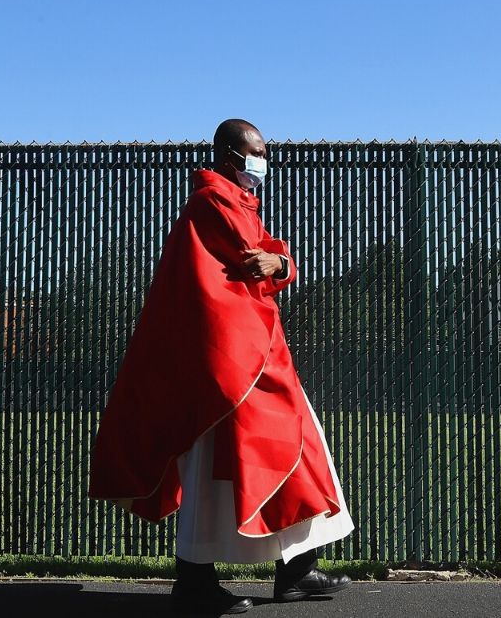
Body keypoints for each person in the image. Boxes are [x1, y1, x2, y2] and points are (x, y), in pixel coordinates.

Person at [88, 119, 354, 614]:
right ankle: (198, 582)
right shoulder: (214, 202)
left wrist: (282, 262)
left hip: (250, 355)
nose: (263, 162)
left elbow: (269, 258)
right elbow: (256, 259)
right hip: (230, 364)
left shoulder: (234, 203)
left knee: (293, 447)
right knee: (225, 462)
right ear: (230, 155)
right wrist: (280, 262)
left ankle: (295, 570)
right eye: (256, 153)